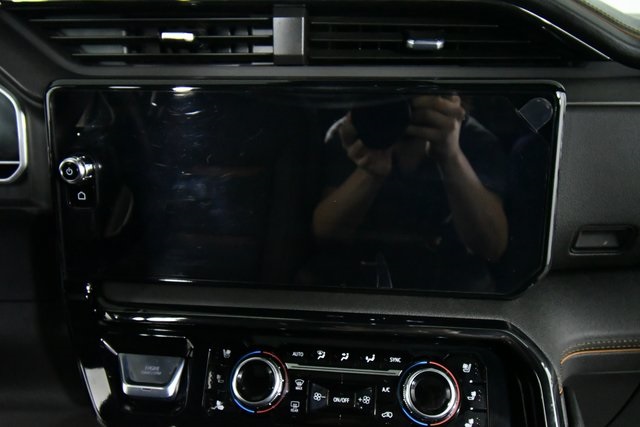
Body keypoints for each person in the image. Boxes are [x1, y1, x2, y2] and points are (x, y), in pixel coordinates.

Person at [310, 95, 509, 291]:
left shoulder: (475, 138)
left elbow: (492, 247)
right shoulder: (356, 130)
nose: (408, 101)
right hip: (369, 287)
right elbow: (326, 233)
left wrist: (451, 156)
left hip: (453, 292)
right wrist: (370, 172)